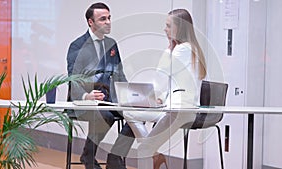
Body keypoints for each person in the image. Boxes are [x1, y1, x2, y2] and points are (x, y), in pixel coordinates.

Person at [123, 9, 207, 169]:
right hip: (171, 107)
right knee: (129, 112)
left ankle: (153, 153)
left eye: (168, 26)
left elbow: (162, 72)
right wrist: (159, 97)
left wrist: (169, 47)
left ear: (180, 28)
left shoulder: (183, 49)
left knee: (144, 148)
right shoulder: (188, 48)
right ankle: (155, 153)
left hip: (179, 111)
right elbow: (170, 79)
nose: (165, 29)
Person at [66, 2, 134, 169]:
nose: (108, 22)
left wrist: (129, 95)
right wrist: (86, 96)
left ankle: (115, 157)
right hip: (84, 102)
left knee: (138, 114)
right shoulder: (77, 46)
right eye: (103, 19)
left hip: (110, 100)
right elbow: (73, 79)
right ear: (91, 22)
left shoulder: (112, 44)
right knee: (106, 115)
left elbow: (120, 75)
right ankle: (88, 156)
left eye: (109, 18)